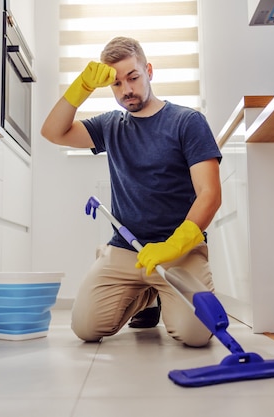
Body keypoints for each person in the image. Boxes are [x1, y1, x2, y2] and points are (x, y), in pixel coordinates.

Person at [40, 36, 222, 347]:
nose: (126, 90)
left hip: (177, 251)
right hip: (127, 249)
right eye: (117, 84)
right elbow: (53, 132)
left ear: (149, 71)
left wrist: (174, 245)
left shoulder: (187, 122)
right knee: (85, 327)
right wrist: (80, 88)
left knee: (196, 335)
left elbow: (210, 194)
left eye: (133, 77)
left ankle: (160, 291)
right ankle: (146, 294)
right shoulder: (111, 126)